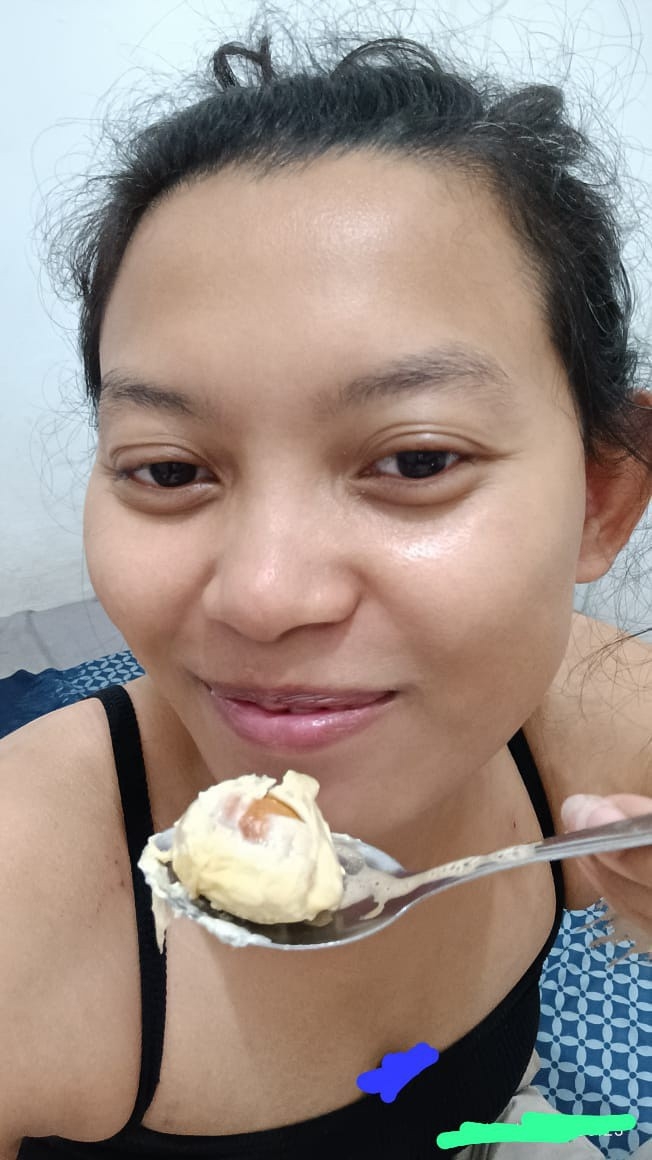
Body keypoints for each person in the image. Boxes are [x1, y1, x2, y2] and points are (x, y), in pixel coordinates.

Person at [2, 15, 652, 1160]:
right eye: (169, 469)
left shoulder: (592, 725)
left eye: (415, 459)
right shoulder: (27, 897)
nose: (262, 596)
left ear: (602, 495)